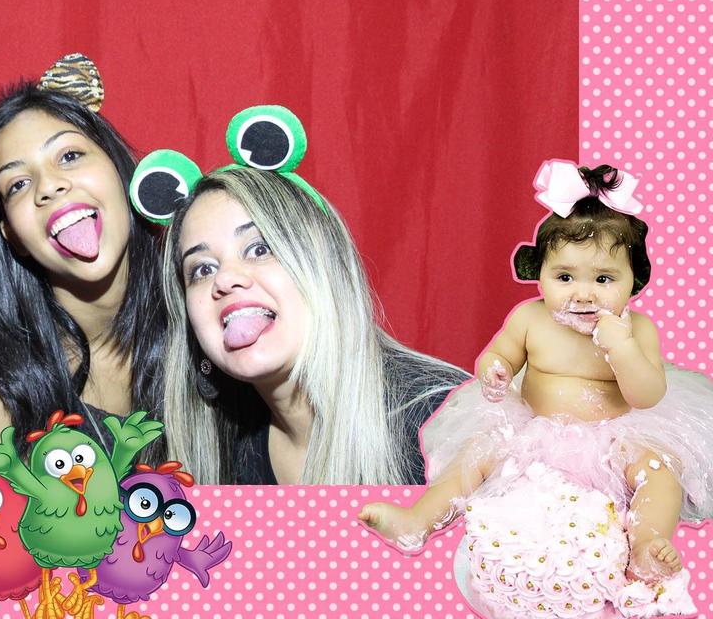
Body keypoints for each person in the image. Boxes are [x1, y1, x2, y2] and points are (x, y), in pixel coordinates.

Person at [359, 161, 713, 611]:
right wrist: (496, 370)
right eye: (564, 277)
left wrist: (622, 349)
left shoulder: (637, 329)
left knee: (659, 472)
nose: (582, 293)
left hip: (615, 434)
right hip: (534, 428)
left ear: (634, 282)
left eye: (603, 279)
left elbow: (647, 396)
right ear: (539, 273)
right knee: (475, 456)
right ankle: (419, 520)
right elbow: (500, 355)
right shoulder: (530, 318)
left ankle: (646, 542)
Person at [159, 164, 467, 485]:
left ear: (324, 266)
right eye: (202, 270)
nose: (224, 279)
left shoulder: (445, 421)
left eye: (259, 249)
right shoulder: (227, 448)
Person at [0, 53, 165, 457]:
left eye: (69, 156)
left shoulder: (201, 305)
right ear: (12, 236)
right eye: (18, 184)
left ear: (119, 169)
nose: (49, 185)